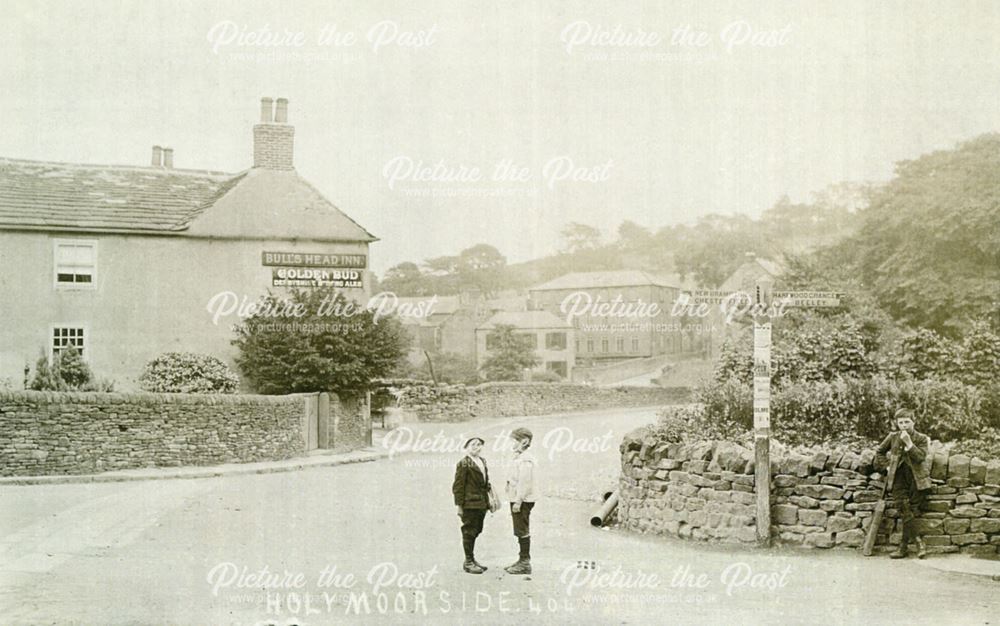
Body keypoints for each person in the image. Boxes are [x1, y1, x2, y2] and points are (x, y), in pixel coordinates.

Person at [876, 408, 931, 559]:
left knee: (910, 512)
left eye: (907, 422)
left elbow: (920, 457)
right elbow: (879, 452)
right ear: (897, 423)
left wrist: (909, 443)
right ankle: (919, 543)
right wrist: (886, 466)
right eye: (901, 422)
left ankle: (903, 548)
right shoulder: (893, 436)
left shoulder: (921, 438)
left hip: (916, 479)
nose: (904, 425)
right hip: (897, 478)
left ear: (914, 422)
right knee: (904, 509)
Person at [452, 436, 491, 574]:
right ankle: (468, 561)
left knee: (477, 529)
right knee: (469, 531)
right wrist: (459, 505)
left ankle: (472, 559)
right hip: (469, 504)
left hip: (482, 503)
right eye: (472, 444)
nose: (476, 447)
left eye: (479, 444)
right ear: (466, 447)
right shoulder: (463, 463)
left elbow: (486, 482)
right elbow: (458, 486)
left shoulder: (482, 461)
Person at [504, 427, 537, 575]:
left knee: (522, 529)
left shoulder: (526, 460)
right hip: (517, 498)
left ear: (524, 442)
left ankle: (525, 562)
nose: (511, 443)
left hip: (522, 499)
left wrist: (518, 502)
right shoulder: (519, 456)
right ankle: (522, 559)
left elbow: (525, 482)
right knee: (519, 528)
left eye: (514, 440)